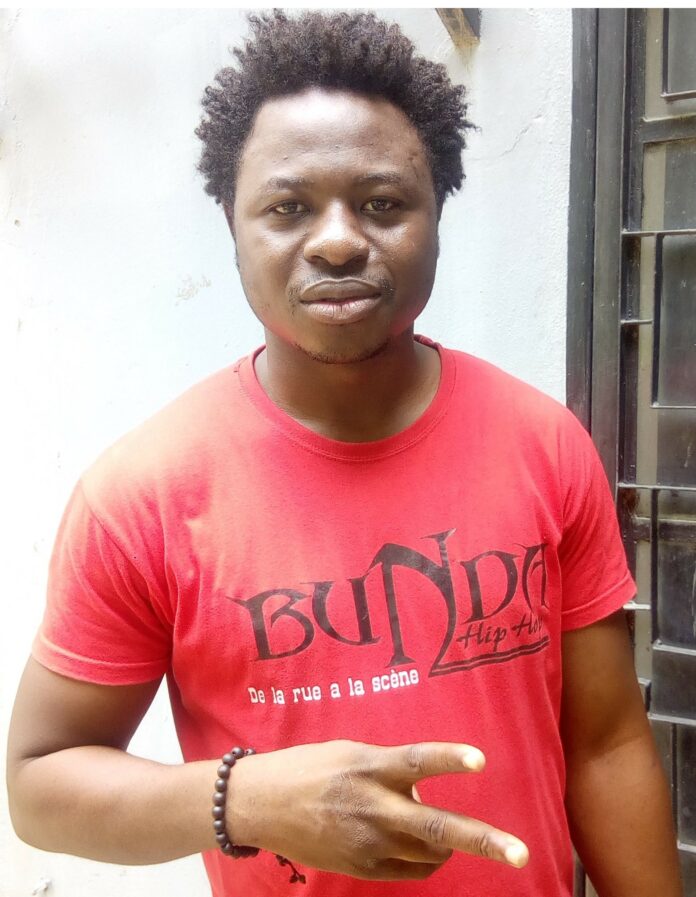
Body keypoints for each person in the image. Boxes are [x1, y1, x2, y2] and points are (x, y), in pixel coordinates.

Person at [6, 10, 683, 897]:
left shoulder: (543, 443)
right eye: (289, 207)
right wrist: (245, 798)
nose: (336, 240)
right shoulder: (144, 496)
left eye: (382, 203)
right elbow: (40, 782)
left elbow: (607, 744)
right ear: (233, 221)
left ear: (437, 215)